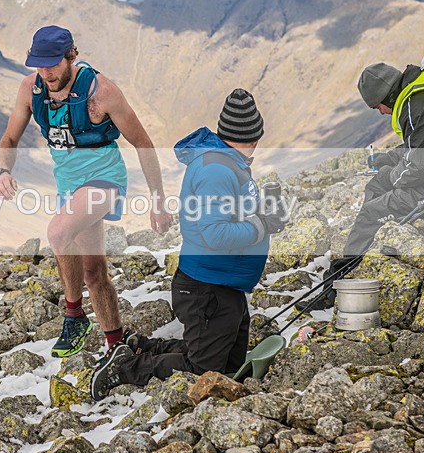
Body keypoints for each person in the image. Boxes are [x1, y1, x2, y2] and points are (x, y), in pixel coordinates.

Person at [90, 88, 289, 400]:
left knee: (228, 365)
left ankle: (141, 347)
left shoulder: (227, 162)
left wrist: (264, 211)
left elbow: (231, 214)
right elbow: (216, 234)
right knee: (203, 369)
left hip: (224, 285)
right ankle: (124, 370)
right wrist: (263, 223)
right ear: (248, 135)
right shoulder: (217, 171)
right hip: (207, 287)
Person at [0, 25, 172, 358]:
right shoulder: (30, 90)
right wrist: (3, 169)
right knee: (93, 271)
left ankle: (74, 316)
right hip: (70, 187)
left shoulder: (101, 91)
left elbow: (143, 142)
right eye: (38, 64)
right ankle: (116, 346)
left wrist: (157, 201)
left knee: (58, 231)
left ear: (70, 56)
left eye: (52, 63)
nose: (46, 72)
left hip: (106, 179)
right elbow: (9, 139)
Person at [300, 61, 424, 311]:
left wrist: (390, 177)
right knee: (378, 187)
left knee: (372, 212)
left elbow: (422, 167)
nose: (381, 113)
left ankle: (337, 285)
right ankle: (365, 250)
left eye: (378, 106)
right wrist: (389, 159)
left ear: (387, 97)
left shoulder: (420, 102)